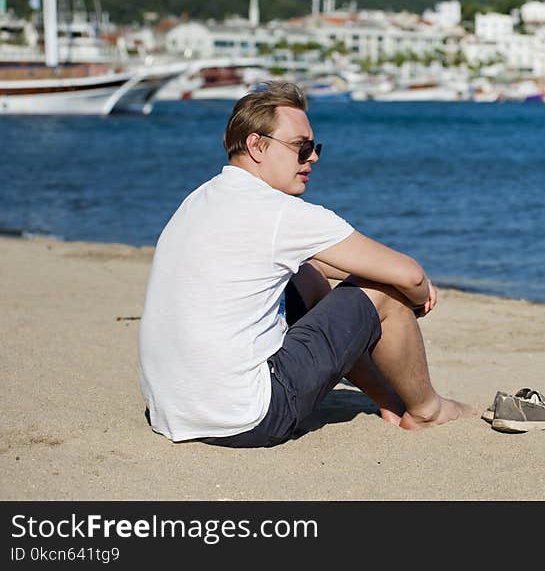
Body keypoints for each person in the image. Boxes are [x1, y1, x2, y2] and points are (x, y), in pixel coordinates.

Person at [138, 81, 468, 447]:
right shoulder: (279, 213)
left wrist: (384, 278)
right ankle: (427, 411)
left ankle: (388, 402)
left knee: (307, 276)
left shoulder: (199, 201)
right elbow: (410, 274)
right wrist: (415, 290)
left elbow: (311, 266)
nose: (313, 158)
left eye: (314, 148)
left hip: (172, 411)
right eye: (301, 147)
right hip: (248, 418)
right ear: (256, 146)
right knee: (383, 291)